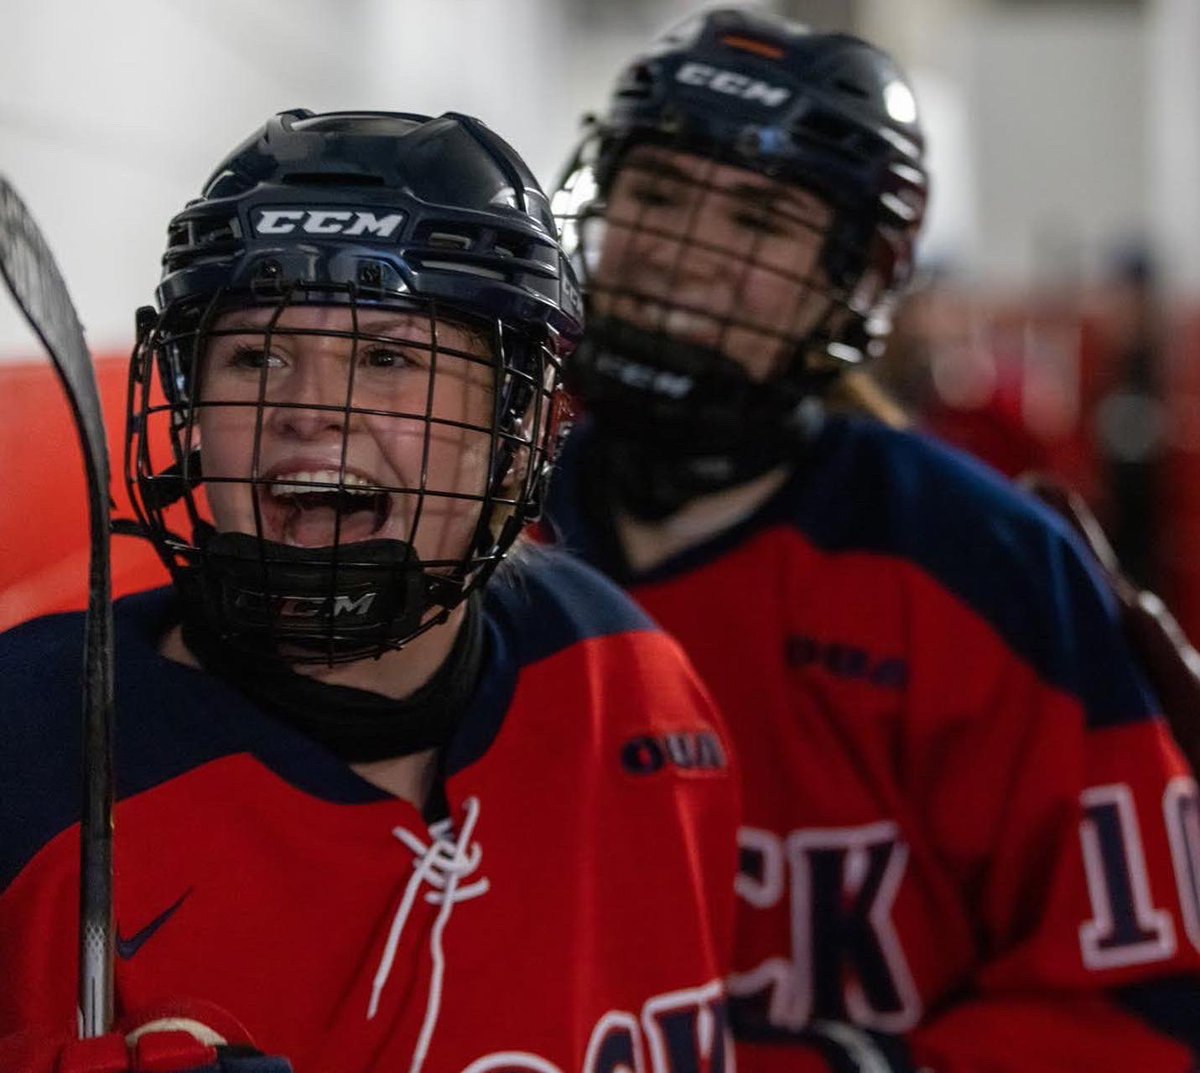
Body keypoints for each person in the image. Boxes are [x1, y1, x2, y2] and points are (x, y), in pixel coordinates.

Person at [0, 109, 739, 1073]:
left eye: (392, 359)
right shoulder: (28, 738)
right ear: (186, 407)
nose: (308, 411)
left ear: (520, 429)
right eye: (255, 357)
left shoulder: (629, 684)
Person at [543, 9, 1200, 1072]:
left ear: (857, 275)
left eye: (759, 221)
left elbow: (1141, 1006)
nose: (685, 258)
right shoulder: (471, 528)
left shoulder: (983, 562)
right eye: (658, 196)